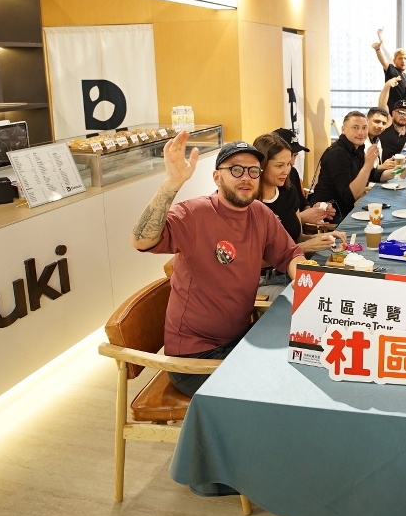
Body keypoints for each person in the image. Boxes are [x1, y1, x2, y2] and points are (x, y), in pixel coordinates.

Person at [132, 134, 311, 395]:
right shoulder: (194, 213)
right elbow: (141, 240)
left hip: (239, 340)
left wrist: (305, 279)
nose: (246, 177)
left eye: (253, 171)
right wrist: (172, 184)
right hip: (195, 358)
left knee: (306, 358)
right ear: (217, 177)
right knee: (283, 387)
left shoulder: (260, 213)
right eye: (236, 170)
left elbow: (290, 254)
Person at [253, 133, 345, 256]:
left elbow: (297, 238)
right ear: (261, 166)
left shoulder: (289, 191)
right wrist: (304, 247)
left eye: (288, 164)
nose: (286, 171)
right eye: (279, 166)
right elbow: (255, 259)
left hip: (295, 261)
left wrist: (326, 237)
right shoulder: (249, 202)